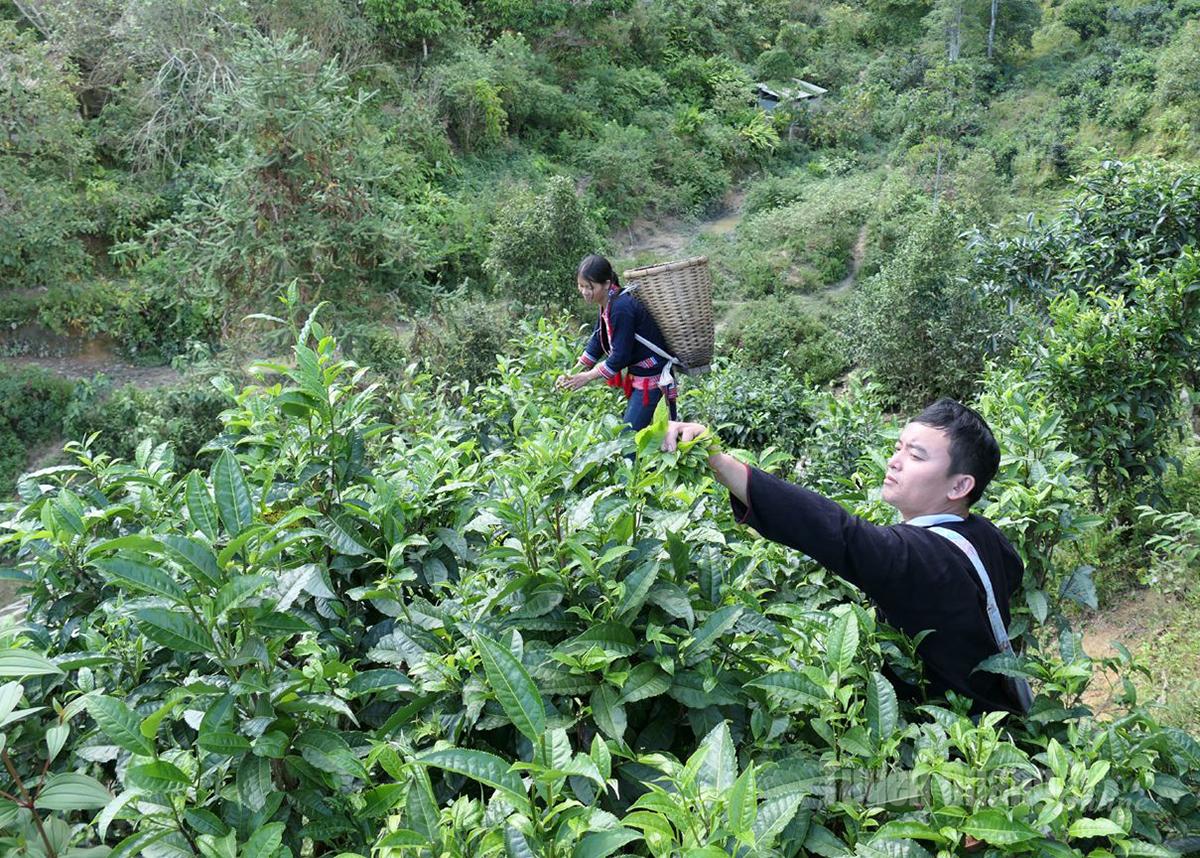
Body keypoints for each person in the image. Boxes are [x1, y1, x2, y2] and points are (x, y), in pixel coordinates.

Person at [662, 398, 1028, 715]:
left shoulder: (917, 556)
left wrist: (720, 463)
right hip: (997, 719)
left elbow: (838, 534)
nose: (894, 462)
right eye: (898, 448)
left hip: (944, 749)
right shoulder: (985, 535)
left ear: (960, 485)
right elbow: (1012, 573)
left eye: (916, 455)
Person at [556, 254, 678, 431]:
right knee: (654, 435)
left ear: (606, 284)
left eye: (590, 287)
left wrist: (586, 377)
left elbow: (620, 356)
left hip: (652, 379)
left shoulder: (621, 307)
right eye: (581, 286)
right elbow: (598, 340)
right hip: (640, 377)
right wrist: (573, 373)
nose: (584, 292)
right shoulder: (609, 302)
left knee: (627, 438)